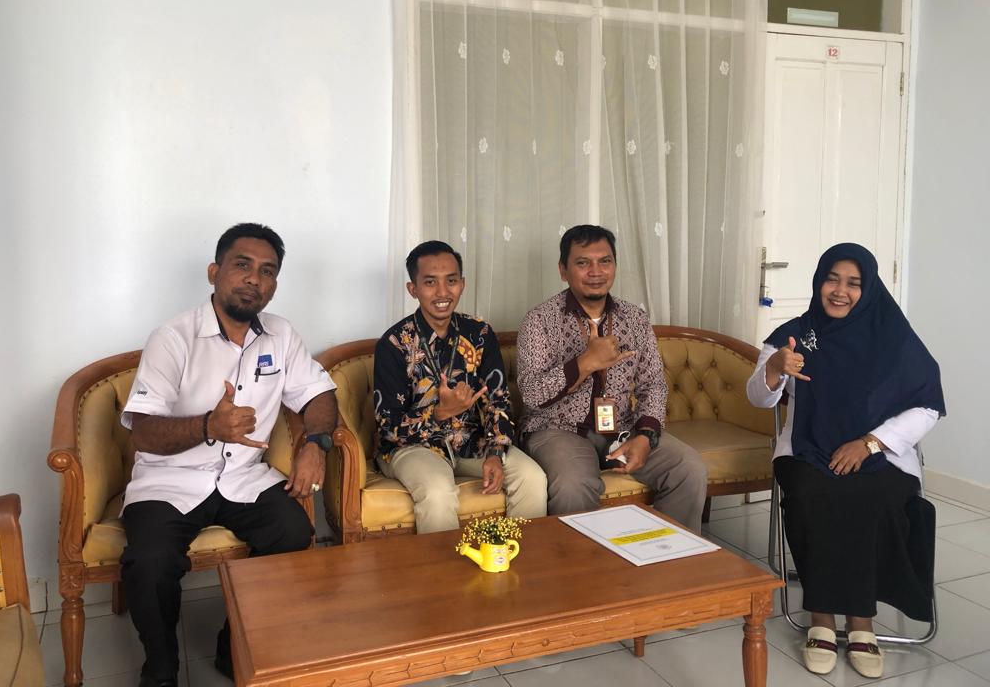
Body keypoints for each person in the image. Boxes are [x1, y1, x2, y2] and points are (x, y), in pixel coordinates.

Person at [120, 223, 337, 687]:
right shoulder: (172, 337)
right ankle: (161, 669)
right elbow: (143, 432)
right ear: (214, 272)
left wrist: (316, 444)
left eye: (267, 271)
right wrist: (208, 426)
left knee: (293, 532)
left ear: (274, 284)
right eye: (242, 265)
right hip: (170, 480)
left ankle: (232, 645)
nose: (254, 278)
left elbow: (319, 394)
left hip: (243, 476)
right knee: (151, 562)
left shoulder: (281, 334)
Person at [747, 243, 945, 679]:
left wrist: (871, 443)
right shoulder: (793, 335)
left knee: (875, 498)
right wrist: (775, 368)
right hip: (806, 449)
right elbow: (759, 399)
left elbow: (927, 406)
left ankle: (861, 622)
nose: (840, 291)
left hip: (881, 454)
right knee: (813, 495)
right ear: (819, 281)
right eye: (832, 279)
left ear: (868, 288)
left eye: (853, 283)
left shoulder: (895, 337)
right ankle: (821, 616)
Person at [516, 225, 707, 532]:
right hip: (557, 429)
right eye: (583, 263)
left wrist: (645, 436)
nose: (596, 272)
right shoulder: (540, 320)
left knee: (687, 467)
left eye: (605, 261)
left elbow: (653, 385)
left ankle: (671, 558)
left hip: (622, 427)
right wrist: (585, 363)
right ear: (563, 270)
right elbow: (531, 393)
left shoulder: (634, 318)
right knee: (573, 485)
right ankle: (584, 564)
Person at [373, 240, 547, 534]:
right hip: (412, 448)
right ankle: (443, 566)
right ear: (413, 289)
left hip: (470, 440)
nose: (443, 292)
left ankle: (521, 558)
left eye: (451, 281)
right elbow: (388, 428)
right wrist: (439, 414)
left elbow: (498, 401)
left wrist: (495, 452)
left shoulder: (479, 333)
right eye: (430, 282)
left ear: (462, 284)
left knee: (532, 477)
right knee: (438, 491)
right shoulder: (395, 343)